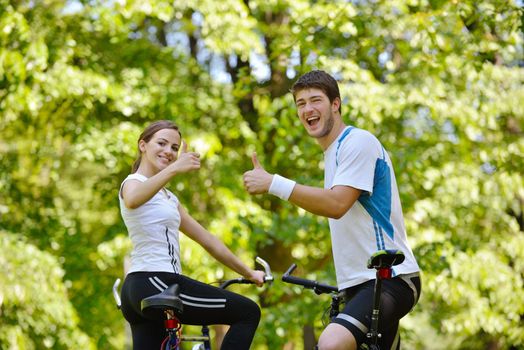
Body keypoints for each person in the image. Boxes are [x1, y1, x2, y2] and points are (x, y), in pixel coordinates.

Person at [243, 70, 421, 350]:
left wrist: (273, 183)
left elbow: (336, 204)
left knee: (331, 343)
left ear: (335, 104)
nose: (308, 109)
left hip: (389, 277)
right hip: (356, 283)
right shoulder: (333, 154)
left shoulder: (357, 142)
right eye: (300, 103)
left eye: (316, 100)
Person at [119, 120, 265, 350]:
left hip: (142, 289)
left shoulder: (168, 199)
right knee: (247, 312)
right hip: (155, 282)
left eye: (175, 148)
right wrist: (174, 168)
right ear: (143, 145)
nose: (169, 151)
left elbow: (207, 239)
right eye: (162, 143)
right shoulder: (133, 183)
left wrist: (249, 273)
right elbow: (132, 198)